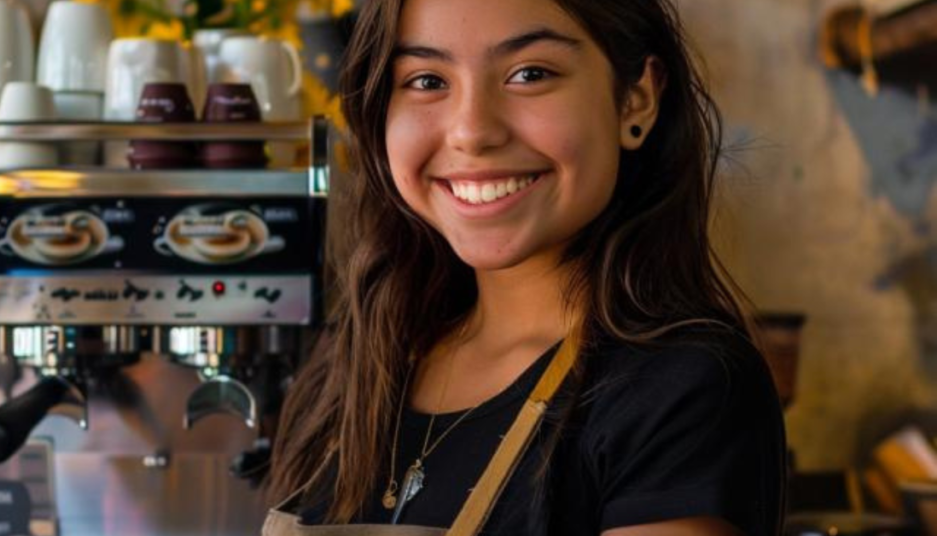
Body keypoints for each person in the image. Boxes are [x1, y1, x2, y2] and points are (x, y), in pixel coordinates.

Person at [264, 0, 786, 534]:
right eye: (425, 80)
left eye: (530, 74)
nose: (472, 131)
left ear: (637, 99)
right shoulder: (354, 361)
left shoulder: (680, 391)